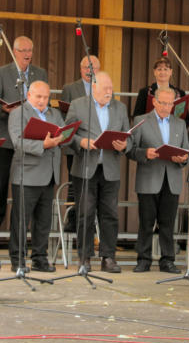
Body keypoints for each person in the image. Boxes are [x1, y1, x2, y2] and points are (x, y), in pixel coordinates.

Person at [65, 71, 130, 273]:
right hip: (85, 168)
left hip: (110, 169)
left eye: (111, 88)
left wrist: (124, 145)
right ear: (93, 87)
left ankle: (108, 258)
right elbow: (67, 135)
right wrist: (81, 141)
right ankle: (84, 258)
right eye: (105, 88)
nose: (110, 92)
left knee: (110, 214)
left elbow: (129, 137)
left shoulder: (120, 108)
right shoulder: (78, 105)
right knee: (85, 214)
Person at [0, 35, 48, 232]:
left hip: (32, 137)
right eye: (23, 51)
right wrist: (4, 109)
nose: (27, 54)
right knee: (1, 180)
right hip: (7, 136)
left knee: (30, 181)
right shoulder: (2, 73)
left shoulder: (40, 73)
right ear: (14, 52)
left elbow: (45, 102)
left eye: (30, 50)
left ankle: (27, 223)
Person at [128, 86, 189, 273]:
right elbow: (130, 150)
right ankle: (143, 260)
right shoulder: (141, 121)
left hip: (172, 179)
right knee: (146, 223)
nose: (166, 107)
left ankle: (167, 260)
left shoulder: (180, 124)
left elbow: (186, 152)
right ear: (154, 102)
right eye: (162, 103)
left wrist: (182, 159)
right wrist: (144, 153)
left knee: (168, 224)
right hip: (148, 179)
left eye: (170, 104)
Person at [7, 80, 62, 273]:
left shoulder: (54, 114)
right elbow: (18, 142)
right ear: (28, 95)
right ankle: (18, 260)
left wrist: (62, 137)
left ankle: (40, 259)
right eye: (38, 96)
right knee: (21, 221)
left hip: (49, 173)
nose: (42, 101)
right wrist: (43, 145)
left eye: (46, 97)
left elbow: (63, 133)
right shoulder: (18, 113)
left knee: (44, 221)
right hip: (27, 174)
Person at [59, 54, 101, 233]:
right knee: (74, 184)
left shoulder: (104, 88)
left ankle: (91, 222)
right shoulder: (70, 88)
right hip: (76, 146)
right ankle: (73, 220)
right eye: (86, 67)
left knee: (95, 186)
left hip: (97, 147)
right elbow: (63, 117)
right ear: (80, 69)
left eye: (93, 68)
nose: (89, 71)